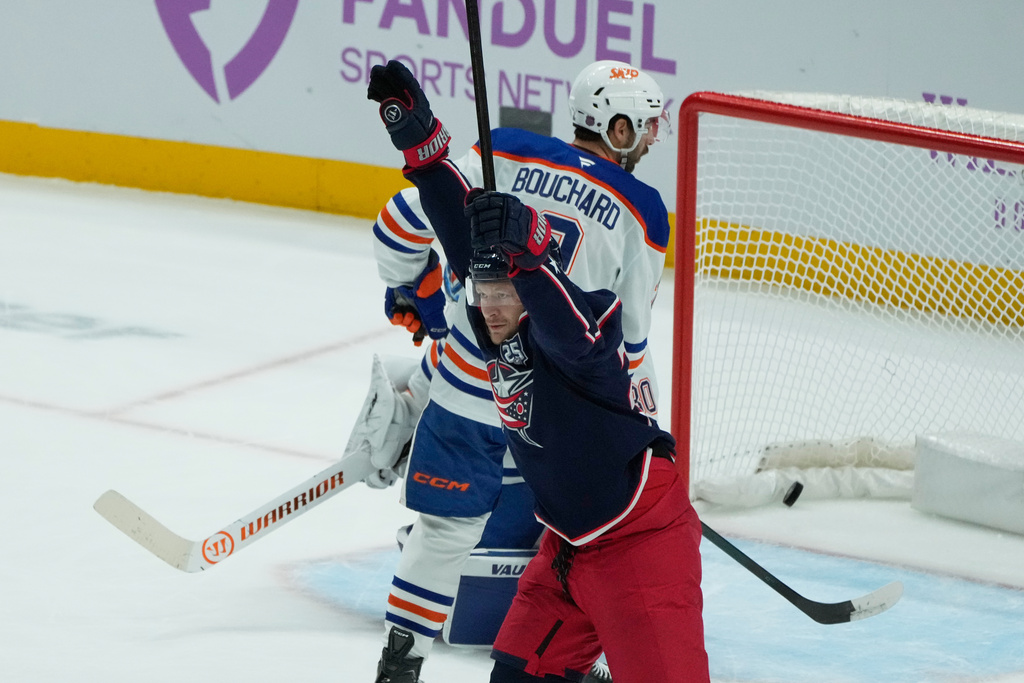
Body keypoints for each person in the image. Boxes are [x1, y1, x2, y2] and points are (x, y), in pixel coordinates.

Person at [367, 60, 710, 680]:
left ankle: (412, 401)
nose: (657, 137)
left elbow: (414, 218)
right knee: (551, 550)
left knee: (453, 523)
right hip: (565, 471)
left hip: (499, 406)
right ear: (621, 126)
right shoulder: (637, 214)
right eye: (649, 125)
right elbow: (623, 338)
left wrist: (419, 288)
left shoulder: (511, 156)